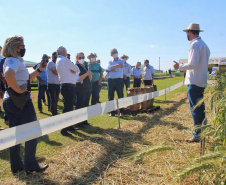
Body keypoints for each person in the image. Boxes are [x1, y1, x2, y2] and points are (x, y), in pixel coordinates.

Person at [2, 35, 48, 173]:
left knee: (16, 135)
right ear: (15, 47)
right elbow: (8, 75)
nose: (24, 48)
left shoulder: (14, 60)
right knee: (33, 132)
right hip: (20, 101)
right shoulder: (13, 61)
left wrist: (39, 69)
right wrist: (19, 90)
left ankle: (17, 166)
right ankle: (30, 164)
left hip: (10, 100)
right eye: (22, 45)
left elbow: (27, 78)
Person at [173, 23, 210, 143]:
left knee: (195, 108)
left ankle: (197, 134)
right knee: (200, 108)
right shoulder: (204, 45)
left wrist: (180, 66)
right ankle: (203, 131)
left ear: (190, 32)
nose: (187, 35)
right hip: (201, 80)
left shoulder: (195, 44)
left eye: (187, 33)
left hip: (194, 81)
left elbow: (193, 64)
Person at [56, 47, 91, 136]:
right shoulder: (65, 60)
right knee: (67, 108)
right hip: (68, 86)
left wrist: (74, 71)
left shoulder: (59, 60)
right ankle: (64, 129)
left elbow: (75, 71)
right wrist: (75, 71)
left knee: (69, 107)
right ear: (64, 52)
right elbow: (77, 69)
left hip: (67, 86)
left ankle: (69, 126)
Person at [75, 52, 93, 127]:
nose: (82, 59)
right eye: (80, 58)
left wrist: (89, 75)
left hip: (87, 88)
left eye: (83, 57)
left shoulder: (85, 66)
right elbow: (78, 78)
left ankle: (84, 121)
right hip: (80, 88)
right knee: (80, 105)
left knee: (85, 105)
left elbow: (90, 77)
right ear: (76, 58)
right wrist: (86, 74)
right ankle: (78, 123)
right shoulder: (76, 66)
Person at [107, 48, 124, 117]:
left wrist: (112, 68)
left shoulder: (121, 61)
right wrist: (117, 66)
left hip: (119, 80)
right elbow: (109, 68)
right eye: (113, 53)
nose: (115, 53)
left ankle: (121, 112)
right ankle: (112, 112)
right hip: (110, 80)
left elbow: (119, 69)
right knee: (110, 97)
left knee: (120, 96)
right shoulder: (109, 61)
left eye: (116, 52)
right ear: (111, 55)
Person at [47, 52, 60, 116]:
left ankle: (55, 112)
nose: (56, 58)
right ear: (52, 56)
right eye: (55, 56)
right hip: (51, 84)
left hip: (57, 84)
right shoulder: (51, 63)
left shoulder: (57, 63)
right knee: (53, 99)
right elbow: (55, 71)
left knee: (56, 99)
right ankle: (54, 113)